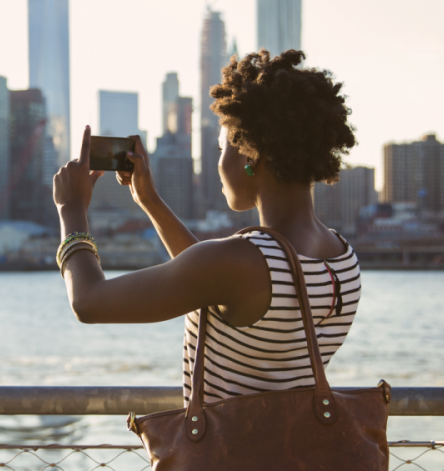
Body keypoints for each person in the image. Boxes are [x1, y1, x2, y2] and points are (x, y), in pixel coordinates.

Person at [52, 49, 360, 405]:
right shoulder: (343, 259)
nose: (217, 163)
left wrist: (71, 209)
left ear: (249, 155)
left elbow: (89, 302)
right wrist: (149, 201)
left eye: (221, 147)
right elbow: (214, 286)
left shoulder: (240, 263)